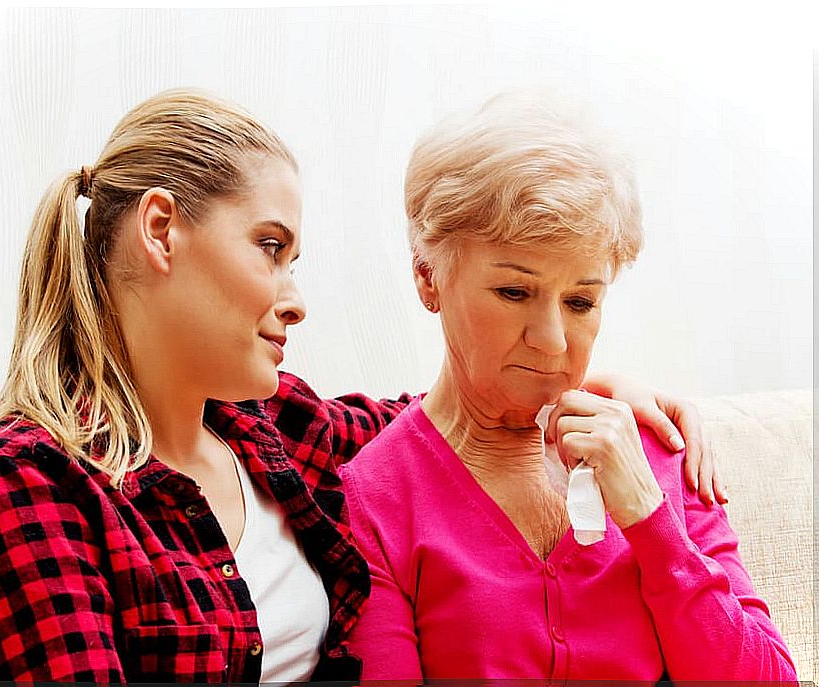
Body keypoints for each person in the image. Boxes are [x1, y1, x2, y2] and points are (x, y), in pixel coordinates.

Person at [0, 88, 721, 683]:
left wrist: (586, 386)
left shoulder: (266, 431)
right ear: (162, 230)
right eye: (271, 248)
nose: (296, 298)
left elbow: (446, 424)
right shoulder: (27, 482)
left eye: (293, 258)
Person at [340, 90, 797, 682]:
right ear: (428, 277)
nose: (554, 341)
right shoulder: (376, 497)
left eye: (581, 301)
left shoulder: (656, 452)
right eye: (514, 292)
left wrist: (650, 520)